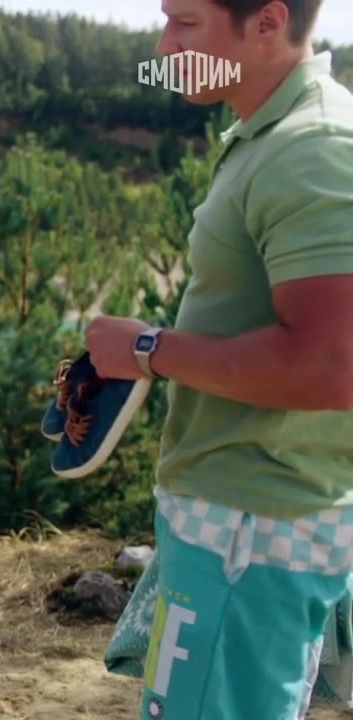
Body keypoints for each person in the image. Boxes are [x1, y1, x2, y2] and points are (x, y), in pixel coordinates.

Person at [84, 1, 353, 718]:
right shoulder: (274, 134)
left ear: (267, 22)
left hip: (251, 533)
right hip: (236, 527)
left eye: (187, 22)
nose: (163, 45)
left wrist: (147, 350)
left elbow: (331, 366)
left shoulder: (313, 144)